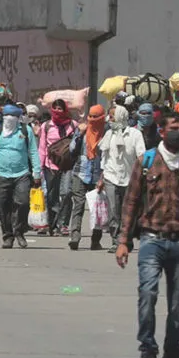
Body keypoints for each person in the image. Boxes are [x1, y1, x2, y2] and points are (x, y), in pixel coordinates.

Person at [115, 111, 179, 358]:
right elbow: (130, 202)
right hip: (150, 240)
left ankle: (173, 357)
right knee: (148, 296)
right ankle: (147, 351)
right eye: (173, 127)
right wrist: (123, 241)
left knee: (177, 305)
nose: (178, 132)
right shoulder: (146, 162)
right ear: (162, 131)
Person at [0, 104, 41, 249]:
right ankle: (8, 236)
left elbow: (33, 152)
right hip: (2, 174)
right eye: (7, 117)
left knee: (23, 203)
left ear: (18, 118)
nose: (10, 120)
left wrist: (37, 173)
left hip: (22, 174)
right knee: (3, 206)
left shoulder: (26, 131)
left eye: (13, 117)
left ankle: (19, 231)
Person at [99, 104, 145, 252]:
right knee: (114, 211)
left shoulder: (135, 134)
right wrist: (101, 178)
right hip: (111, 176)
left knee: (129, 211)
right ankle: (116, 241)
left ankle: (127, 238)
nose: (109, 119)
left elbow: (141, 156)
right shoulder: (108, 135)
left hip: (130, 178)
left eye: (112, 116)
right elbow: (105, 159)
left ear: (120, 116)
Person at [67, 105, 107, 251]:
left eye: (96, 117)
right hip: (80, 172)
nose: (92, 120)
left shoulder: (107, 133)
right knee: (78, 205)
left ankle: (95, 240)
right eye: (90, 116)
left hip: (99, 175)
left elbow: (107, 157)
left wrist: (103, 177)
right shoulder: (83, 131)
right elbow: (72, 149)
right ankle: (75, 237)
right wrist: (79, 133)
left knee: (97, 208)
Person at [38, 99, 78, 236]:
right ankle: (53, 224)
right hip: (51, 166)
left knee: (66, 193)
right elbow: (42, 147)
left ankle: (64, 224)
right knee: (52, 196)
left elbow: (78, 146)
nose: (57, 111)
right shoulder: (46, 126)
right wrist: (40, 168)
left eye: (60, 108)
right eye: (55, 108)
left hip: (68, 166)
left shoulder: (73, 125)